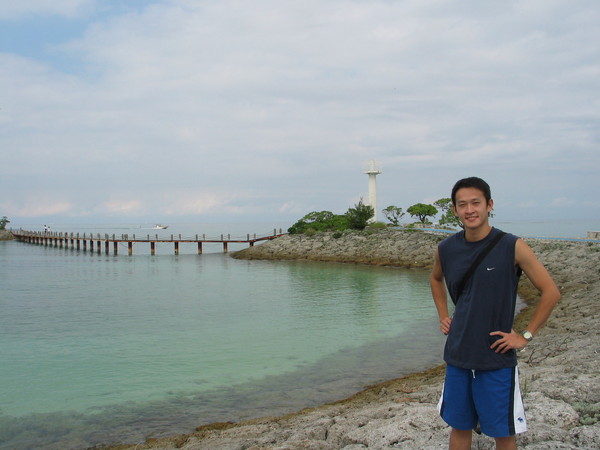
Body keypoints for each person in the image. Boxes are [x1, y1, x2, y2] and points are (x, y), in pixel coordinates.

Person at [430, 177, 560, 450]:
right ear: (454, 210)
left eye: (476, 203)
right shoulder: (446, 248)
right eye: (462, 204)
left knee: (503, 433)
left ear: (489, 205)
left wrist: (524, 336)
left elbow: (550, 292)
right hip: (458, 354)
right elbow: (435, 279)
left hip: (496, 357)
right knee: (460, 426)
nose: (469, 210)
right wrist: (443, 314)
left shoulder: (511, 246)